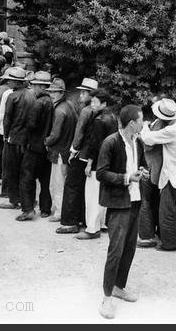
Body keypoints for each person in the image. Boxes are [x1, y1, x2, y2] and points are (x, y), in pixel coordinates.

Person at [97, 104, 147, 319]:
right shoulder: (111, 142)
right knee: (115, 250)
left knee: (129, 248)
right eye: (141, 120)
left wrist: (143, 171)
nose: (144, 123)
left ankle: (119, 287)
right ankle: (106, 298)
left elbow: (142, 164)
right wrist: (126, 178)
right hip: (118, 204)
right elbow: (101, 173)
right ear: (132, 123)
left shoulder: (139, 142)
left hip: (134, 201)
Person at [140, 98, 176, 251]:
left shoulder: (172, 130)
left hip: (172, 173)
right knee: (167, 207)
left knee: (167, 209)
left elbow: (148, 139)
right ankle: (166, 238)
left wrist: (145, 126)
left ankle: (170, 244)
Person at [57, 78, 99, 233]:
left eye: (84, 92)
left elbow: (79, 134)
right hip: (89, 154)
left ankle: (70, 222)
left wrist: (72, 151)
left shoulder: (86, 111)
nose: (81, 95)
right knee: (82, 187)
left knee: (72, 186)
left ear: (91, 94)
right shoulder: (96, 109)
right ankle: (80, 218)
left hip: (80, 153)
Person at [76, 89, 118, 239]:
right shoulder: (112, 117)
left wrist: (89, 163)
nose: (92, 104)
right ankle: (101, 224)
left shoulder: (99, 120)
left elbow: (95, 145)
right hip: (108, 161)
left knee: (92, 195)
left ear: (104, 104)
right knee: (102, 193)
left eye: (95, 102)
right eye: (92, 101)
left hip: (97, 162)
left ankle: (92, 229)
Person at [16, 71, 54, 221]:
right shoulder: (51, 102)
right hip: (47, 147)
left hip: (34, 146)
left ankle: (28, 209)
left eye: (34, 85)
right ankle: (45, 209)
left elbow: (31, 125)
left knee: (26, 178)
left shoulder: (37, 103)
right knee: (45, 179)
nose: (33, 88)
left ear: (40, 86)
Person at [0, 69, 35, 210]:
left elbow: (7, 119)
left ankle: (13, 200)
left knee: (11, 170)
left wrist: (6, 135)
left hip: (14, 138)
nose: (7, 82)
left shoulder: (12, 97)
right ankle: (28, 200)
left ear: (17, 82)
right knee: (26, 172)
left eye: (10, 80)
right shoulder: (32, 95)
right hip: (28, 139)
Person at [44, 78, 78, 222]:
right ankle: (61, 210)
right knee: (62, 182)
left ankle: (59, 213)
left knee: (57, 184)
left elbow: (55, 134)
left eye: (55, 92)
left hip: (59, 152)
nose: (52, 94)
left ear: (61, 93)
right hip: (67, 151)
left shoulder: (59, 110)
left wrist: (46, 141)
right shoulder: (70, 105)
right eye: (51, 92)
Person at [137, 96, 165, 249]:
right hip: (155, 165)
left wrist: (142, 133)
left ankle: (146, 236)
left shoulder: (158, 124)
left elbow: (148, 145)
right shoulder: (159, 122)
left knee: (145, 201)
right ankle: (156, 231)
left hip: (151, 165)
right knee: (153, 200)